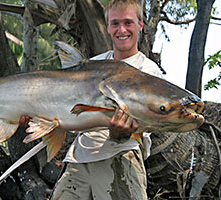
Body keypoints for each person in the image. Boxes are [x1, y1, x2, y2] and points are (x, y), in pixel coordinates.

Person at [21, 0, 163, 199]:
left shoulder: (149, 73)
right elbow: (61, 106)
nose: (122, 29)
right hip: (78, 158)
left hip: (121, 155)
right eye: (115, 23)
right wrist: (36, 116)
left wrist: (120, 132)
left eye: (128, 22)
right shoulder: (93, 64)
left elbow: (146, 123)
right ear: (107, 28)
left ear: (140, 25)